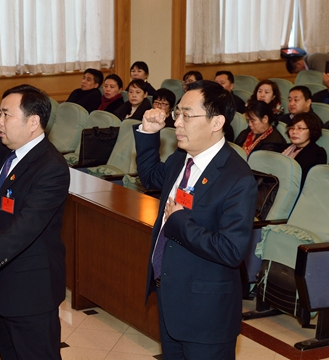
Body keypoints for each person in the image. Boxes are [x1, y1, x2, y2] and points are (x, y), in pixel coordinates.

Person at [134, 80, 257, 359]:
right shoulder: (181, 159)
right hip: (171, 296)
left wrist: (179, 222)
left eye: (187, 115)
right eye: (177, 114)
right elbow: (152, 177)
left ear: (217, 123)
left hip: (206, 314)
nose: (177, 123)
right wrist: (148, 133)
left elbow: (231, 250)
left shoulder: (236, 178)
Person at [0, 84, 70, 359]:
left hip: (29, 289)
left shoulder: (51, 167)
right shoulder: (5, 150)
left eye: (6, 115)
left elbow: (26, 226)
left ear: (33, 122)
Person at [274, 112, 327, 187]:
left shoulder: (318, 153)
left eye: (300, 128)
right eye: (292, 128)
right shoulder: (283, 148)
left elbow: (307, 182)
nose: (294, 132)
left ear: (311, 131)